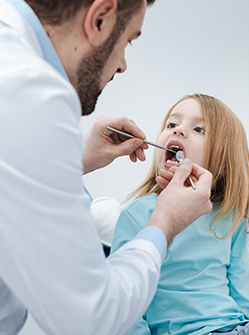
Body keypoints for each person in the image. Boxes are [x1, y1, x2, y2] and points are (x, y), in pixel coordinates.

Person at [0, 1, 213, 334]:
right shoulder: (31, 91)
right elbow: (90, 318)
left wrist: (77, 159)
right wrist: (165, 221)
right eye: (128, 40)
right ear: (99, 17)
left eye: (200, 129)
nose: (123, 65)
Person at [111, 93, 249, 335]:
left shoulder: (232, 218)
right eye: (172, 124)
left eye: (199, 129)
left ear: (222, 158)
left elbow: (248, 301)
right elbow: (126, 309)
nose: (178, 131)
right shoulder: (135, 216)